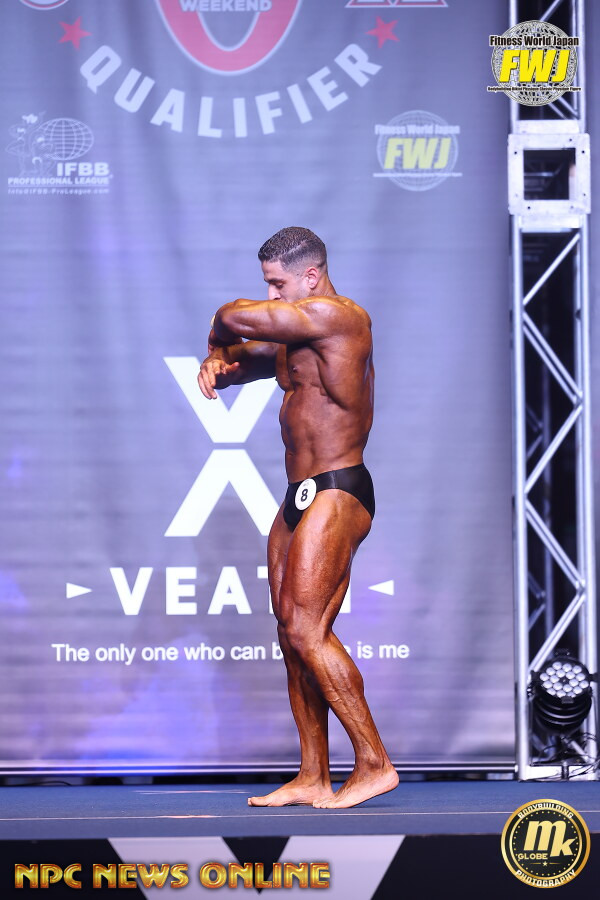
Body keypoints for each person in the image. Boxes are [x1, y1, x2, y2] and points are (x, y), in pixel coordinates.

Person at [197, 227, 398, 808]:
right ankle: (313, 774)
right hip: (298, 494)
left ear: (311, 276)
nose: (272, 294)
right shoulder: (296, 343)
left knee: (309, 629)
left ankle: (375, 763)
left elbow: (233, 317)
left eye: (277, 284)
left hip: (340, 488)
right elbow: (243, 360)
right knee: (291, 636)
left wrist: (220, 334)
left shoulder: (339, 317)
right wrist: (217, 362)